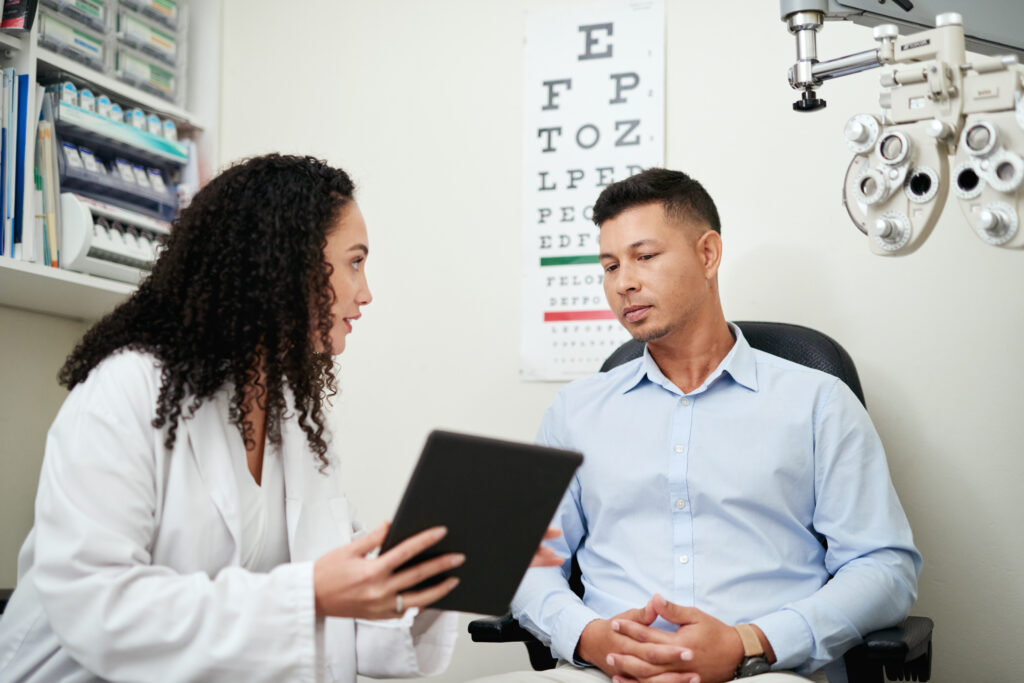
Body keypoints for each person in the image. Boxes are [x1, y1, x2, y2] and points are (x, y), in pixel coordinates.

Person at [0, 154, 560, 682]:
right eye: (354, 263)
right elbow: (95, 608)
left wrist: (425, 577)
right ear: (281, 266)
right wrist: (310, 594)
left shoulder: (292, 415)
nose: (365, 293)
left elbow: (341, 627)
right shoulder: (130, 388)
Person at [475, 169, 921, 683]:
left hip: (763, 672)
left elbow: (884, 568)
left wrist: (747, 642)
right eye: (610, 265)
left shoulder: (818, 403)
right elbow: (530, 561)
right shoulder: (574, 411)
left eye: (644, 257)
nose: (624, 282)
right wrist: (589, 637)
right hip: (605, 674)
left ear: (707, 254)